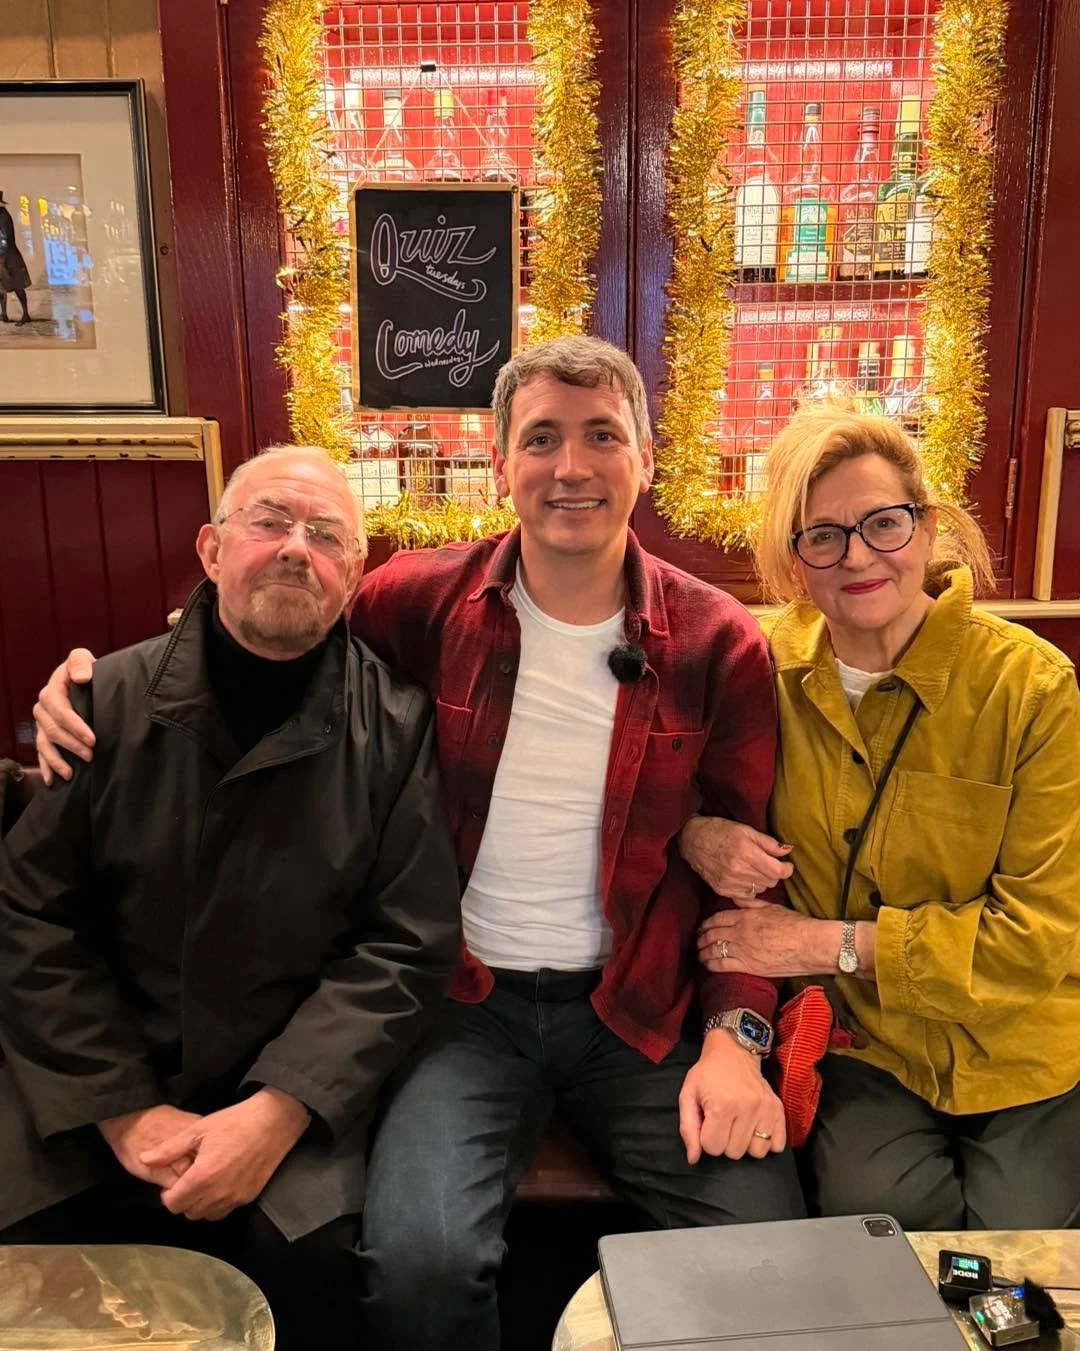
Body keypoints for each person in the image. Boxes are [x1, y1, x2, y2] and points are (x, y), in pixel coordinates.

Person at [33, 336, 806, 1351]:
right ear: (501, 468)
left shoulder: (717, 640)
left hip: (641, 1013)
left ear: (646, 461)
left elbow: (749, 882)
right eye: (540, 439)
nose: (570, 467)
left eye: (601, 436)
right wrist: (92, 682)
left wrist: (735, 1040)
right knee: (418, 1269)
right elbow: (267, 628)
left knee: (776, 1264)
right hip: (461, 1008)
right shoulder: (421, 601)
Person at [1, 446, 461, 1349]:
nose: (297, 548)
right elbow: (33, 917)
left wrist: (276, 1111)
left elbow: (404, 943)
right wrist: (122, 1108)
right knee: (34, 1259)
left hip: (292, 1090)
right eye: (270, 521)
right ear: (212, 550)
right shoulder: (103, 703)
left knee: (315, 1266)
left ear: (355, 574)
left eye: (326, 534)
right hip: (95, 1079)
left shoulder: (397, 727)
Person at [681, 403, 1080, 1230]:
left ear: (927, 529)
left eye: (883, 524)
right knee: (882, 1223)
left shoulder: (1034, 690)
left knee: (1022, 1241)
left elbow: (1040, 937)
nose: (858, 555)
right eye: (823, 534)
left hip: (1023, 1045)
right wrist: (698, 831)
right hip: (871, 1048)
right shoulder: (759, 667)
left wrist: (821, 942)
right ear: (795, 562)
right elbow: (664, 782)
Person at [0, 189, 32, 325]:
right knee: (1, 285)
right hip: (2, 255)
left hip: (8, 256)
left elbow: (5, 237)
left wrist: (2, 256)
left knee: (18, 284)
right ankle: (3, 314)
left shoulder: (3, 215)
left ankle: (25, 314)